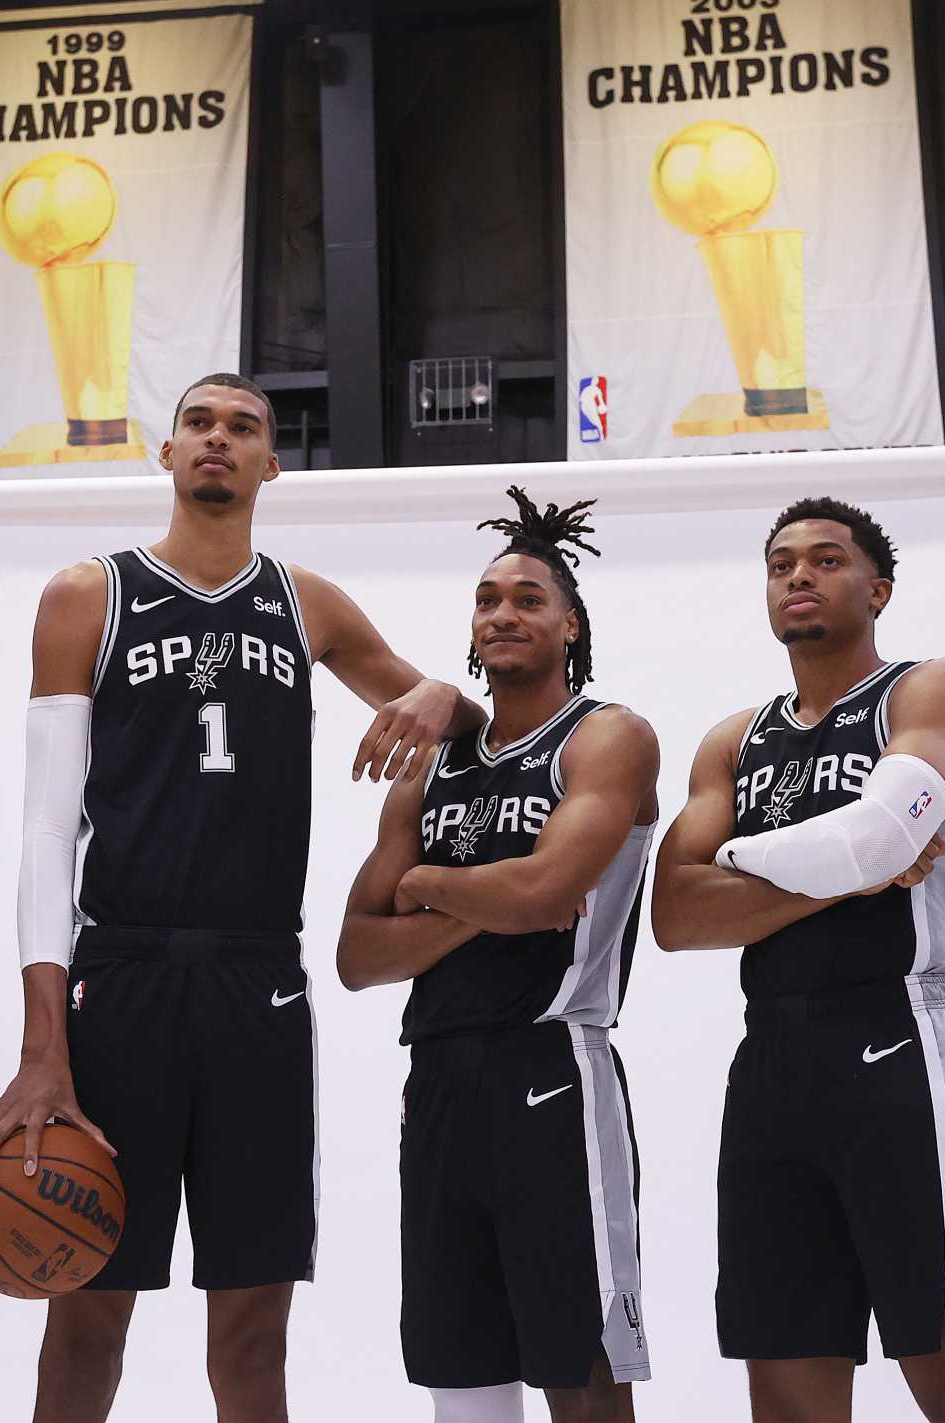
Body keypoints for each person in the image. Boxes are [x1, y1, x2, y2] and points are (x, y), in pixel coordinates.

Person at [0, 373, 487, 1423]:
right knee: (87, 1307)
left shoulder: (306, 602)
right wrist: (40, 1043)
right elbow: (46, 831)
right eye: (197, 422)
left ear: (269, 465)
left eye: (242, 427)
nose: (216, 440)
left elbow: (464, 727)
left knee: (251, 1326)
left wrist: (437, 691)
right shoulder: (86, 595)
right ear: (165, 452)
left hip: (259, 987)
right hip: (121, 978)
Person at [651, 497, 945, 1423]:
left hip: (903, 1031)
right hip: (773, 1056)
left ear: (879, 587)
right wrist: (839, 870)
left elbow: (872, 837)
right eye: (781, 563)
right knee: (785, 1371)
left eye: (825, 560)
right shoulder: (734, 741)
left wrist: (739, 860)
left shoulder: (936, 689)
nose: (798, 576)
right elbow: (672, 912)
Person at [339, 489, 659, 1423]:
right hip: (436, 1079)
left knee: (581, 1364)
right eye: (487, 600)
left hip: (553, 1066)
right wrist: (497, 899)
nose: (503, 613)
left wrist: (430, 886)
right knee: (461, 1363)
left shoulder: (608, 736)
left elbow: (546, 893)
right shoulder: (435, 768)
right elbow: (358, 953)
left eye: (527, 597)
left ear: (570, 624)